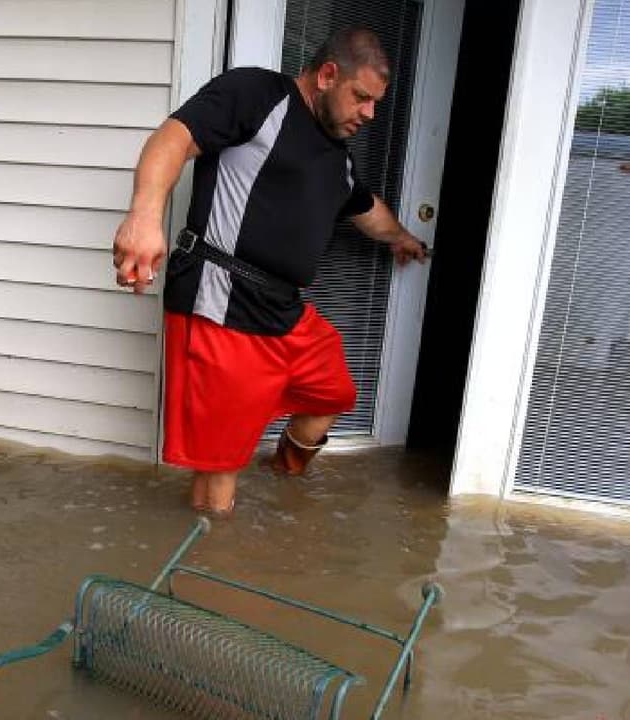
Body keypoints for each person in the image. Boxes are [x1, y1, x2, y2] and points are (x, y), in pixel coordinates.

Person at [112, 27, 427, 514]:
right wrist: (144, 215)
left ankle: (284, 484)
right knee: (218, 475)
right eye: (361, 98)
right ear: (327, 75)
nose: (369, 114)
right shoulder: (259, 95)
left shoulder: (336, 159)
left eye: (375, 103)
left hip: (285, 311)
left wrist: (403, 237)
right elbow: (172, 139)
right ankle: (211, 563)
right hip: (224, 302)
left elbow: (368, 211)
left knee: (333, 392)